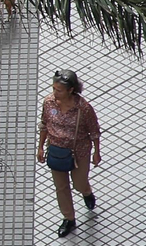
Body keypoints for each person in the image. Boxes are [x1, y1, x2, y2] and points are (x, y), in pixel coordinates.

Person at [38, 68, 102, 237]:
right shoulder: (48, 103)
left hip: (79, 151)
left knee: (79, 183)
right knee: (61, 187)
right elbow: (44, 124)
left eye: (59, 90)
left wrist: (97, 151)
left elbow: (94, 130)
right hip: (57, 151)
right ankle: (69, 218)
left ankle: (86, 192)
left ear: (71, 90)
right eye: (53, 88)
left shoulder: (83, 108)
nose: (54, 93)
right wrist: (40, 146)